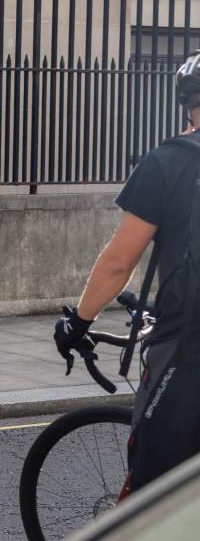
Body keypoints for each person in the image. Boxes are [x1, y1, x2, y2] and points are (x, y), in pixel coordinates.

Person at [54, 50, 200, 495]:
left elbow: (120, 261)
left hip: (188, 351)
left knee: (151, 495)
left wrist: (78, 322)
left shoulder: (171, 161)